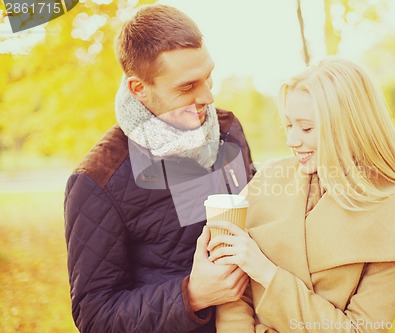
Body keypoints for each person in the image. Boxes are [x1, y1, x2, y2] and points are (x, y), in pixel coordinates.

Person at [64, 4, 255, 333]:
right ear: (139, 88)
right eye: (187, 87)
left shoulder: (227, 128)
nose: (208, 97)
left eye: (208, 77)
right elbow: (94, 316)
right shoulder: (98, 180)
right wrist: (191, 296)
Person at [208, 57, 395, 333]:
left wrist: (266, 272)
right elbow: (233, 291)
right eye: (289, 125)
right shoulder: (269, 177)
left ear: (349, 127)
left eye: (307, 128)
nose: (291, 141)